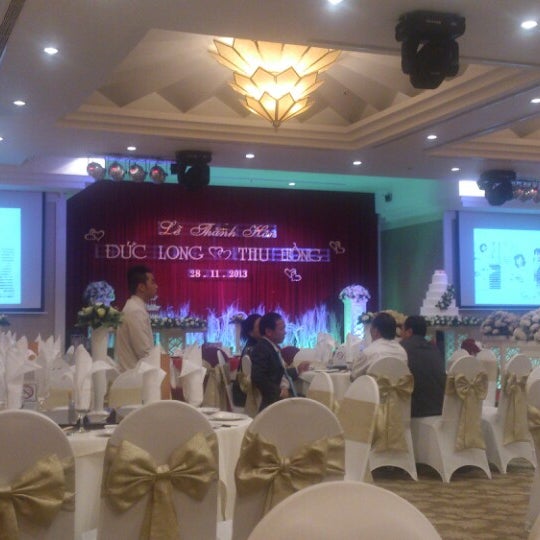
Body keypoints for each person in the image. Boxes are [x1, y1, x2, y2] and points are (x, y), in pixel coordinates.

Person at [251, 312, 309, 411]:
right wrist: (279, 392)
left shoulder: (272, 347)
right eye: (281, 329)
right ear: (269, 332)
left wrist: (297, 370)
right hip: (274, 401)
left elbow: (278, 373)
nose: (285, 332)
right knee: (312, 402)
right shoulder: (262, 348)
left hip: (282, 396)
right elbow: (258, 376)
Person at [401, 315, 446, 417]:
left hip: (416, 411)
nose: (400, 334)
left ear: (409, 332)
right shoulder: (434, 349)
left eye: (402, 330)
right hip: (440, 407)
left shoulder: (402, 349)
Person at [115, 265, 157, 371]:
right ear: (141, 287)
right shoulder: (135, 311)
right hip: (135, 377)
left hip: (137, 374)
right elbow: (144, 352)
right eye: (152, 282)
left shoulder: (135, 307)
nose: (156, 286)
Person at [351, 312, 407, 380]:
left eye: (371, 328)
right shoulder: (402, 352)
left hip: (372, 387)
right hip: (398, 387)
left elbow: (354, 376)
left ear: (376, 331)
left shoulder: (369, 352)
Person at [231, 313, 262, 407]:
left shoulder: (252, 346)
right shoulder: (254, 350)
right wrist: (295, 371)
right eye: (260, 326)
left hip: (248, 394)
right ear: (251, 332)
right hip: (249, 398)